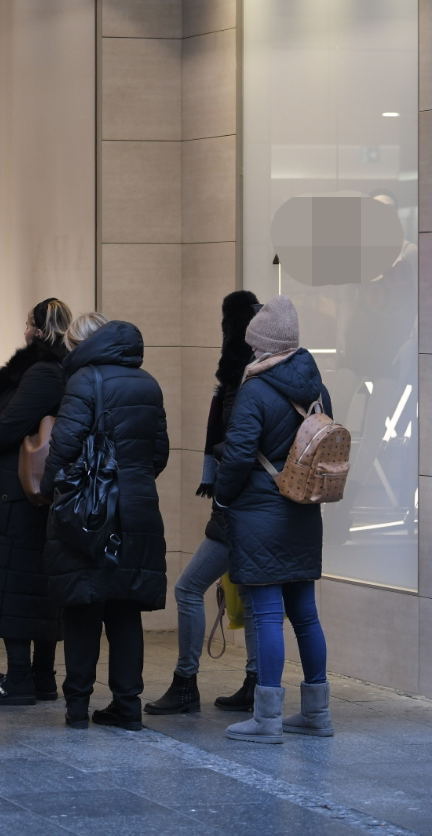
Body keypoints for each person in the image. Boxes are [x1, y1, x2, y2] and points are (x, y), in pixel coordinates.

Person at [214, 295, 335, 743]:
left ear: (262, 345)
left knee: (266, 615)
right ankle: (317, 714)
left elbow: (240, 455)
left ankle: (266, 718)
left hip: (261, 513)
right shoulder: (316, 389)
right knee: (305, 613)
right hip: (304, 510)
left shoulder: (255, 390)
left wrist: (224, 500)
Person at [43, 312, 168, 732]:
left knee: (83, 608)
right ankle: (127, 706)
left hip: (91, 510)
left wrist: (50, 491)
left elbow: (63, 447)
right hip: (138, 507)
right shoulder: (148, 382)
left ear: (82, 344)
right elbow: (160, 452)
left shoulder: (85, 379)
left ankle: (77, 707)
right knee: (125, 611)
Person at [147, 291, 264, 716]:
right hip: (270, 510)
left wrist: (224, 494)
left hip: (241, 508)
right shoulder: (289, 380)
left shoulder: (242, 385)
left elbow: (236, 449)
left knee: (188, 587)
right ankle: (256, 684)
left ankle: (185, 683)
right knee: (254, 597)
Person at [0, 298, 71, 705]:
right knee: (38, 584)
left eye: (28, 322)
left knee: (16, 582)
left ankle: (19, 679)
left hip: (19, 491)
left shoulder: (42, 372)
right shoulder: (53, 368)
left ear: (38, 328)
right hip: (34, 491)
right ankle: (42, 677)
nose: (24, 329)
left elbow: (12, 424)